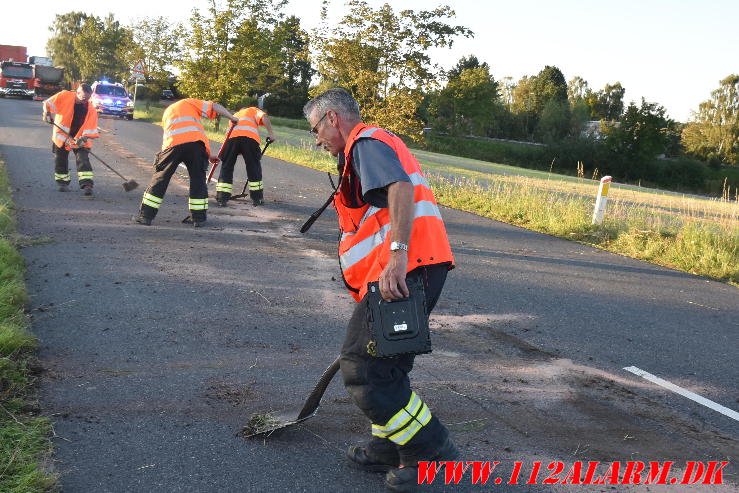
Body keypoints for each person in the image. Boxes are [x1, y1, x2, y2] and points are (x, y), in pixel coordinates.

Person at [303, 88, 458, 492]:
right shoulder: (364, 149)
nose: (316, 138)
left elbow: (400, 190)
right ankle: (388, 444)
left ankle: (431, 453)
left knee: (364, 367)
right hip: (410, 270)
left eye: (316, 128)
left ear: (333, 119)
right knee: (386, 364)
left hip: (407, 270)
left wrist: (397, 257)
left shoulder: (366, 143)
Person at [134, 98, 238, 227]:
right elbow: (214, 106)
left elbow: (172, 137)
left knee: (160, 178)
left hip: (172, 146)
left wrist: (209, 156)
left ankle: (145, 216)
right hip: (196, 146)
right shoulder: (189, 102)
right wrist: (231, 117)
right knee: (198, 180)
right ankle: (198, 219)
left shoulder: (167, 113)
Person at [42, 84, 99, 195]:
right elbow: (47, 103)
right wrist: (46, 113)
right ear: (77, 93)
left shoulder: (90, 108)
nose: (85, 101)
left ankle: (87, 185)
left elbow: (91, 127)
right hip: (62, 136)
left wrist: (84, 138)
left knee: (83, 160)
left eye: (88, 99)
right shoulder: (64, 96)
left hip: (80, 138)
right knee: (60, 159)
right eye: (83, 98)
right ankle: (62, 183)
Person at [215, 106, 276, 206]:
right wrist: (271, 134)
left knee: (227, 167)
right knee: (253, 167)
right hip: (250, 139)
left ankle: (222, 198)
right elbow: (264, 117)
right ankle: (257, 198)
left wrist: (231, 151)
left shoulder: (234, 115)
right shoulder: (252, 110)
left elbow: (231, 134)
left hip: (231, 140)